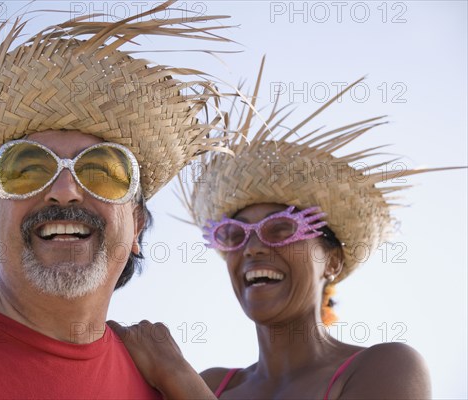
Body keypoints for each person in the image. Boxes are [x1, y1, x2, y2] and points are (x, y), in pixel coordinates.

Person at [0, 2, 235, 398]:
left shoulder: (162, 388)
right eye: (26, 169)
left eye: (101, 171)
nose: (64, 190)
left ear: (137, 227)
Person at [110, 60, 465, 399]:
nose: (251, 248)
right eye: (234, 234)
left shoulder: (387, 367)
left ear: (333, 262)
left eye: (280, 229)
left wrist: (176, 375)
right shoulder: (215, 384)